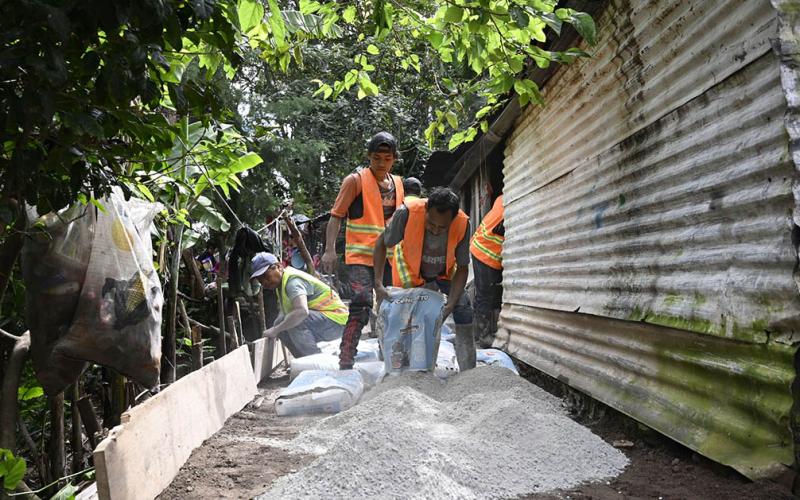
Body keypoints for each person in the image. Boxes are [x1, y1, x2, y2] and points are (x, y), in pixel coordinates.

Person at [321, 132, 405, 369]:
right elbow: (336, 216)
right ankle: (346, 359)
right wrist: (329, 250)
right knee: (361, 303)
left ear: (394, 159)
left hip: (389, 257)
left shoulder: (398, 184)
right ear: (369, 156)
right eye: (376, 158)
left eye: (387, 159)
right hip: (361, 255)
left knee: (392, 305)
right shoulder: (355, 181)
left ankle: (392, 358)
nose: (381, 163)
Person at [372, 187, 477, 370]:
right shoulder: (407, 213)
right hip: (411, 269)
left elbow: (462, 268)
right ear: (426, 209)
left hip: (444, 271)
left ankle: (469, 371)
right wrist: (378, 283)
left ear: (452, 220)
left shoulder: (462, 223)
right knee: (403, 313)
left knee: (464, 308)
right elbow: (381, 243)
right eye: (431, 224)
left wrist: (450, 305)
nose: (435, 230)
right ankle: (392, 361)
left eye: (442, 227)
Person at [250, 252, 347, 358]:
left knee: (296, 320)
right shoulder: (281, 285)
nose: (264, 282)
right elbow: (283, 315)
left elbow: (301, 312)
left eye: (266, 276)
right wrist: (275, 328)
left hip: (337, 321)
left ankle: (315, 360)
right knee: (282, 325)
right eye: (260, 280)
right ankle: (303, 360)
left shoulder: (292, 282)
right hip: (325, 321)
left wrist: (275, 329)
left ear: (279, 267)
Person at [470, 194, 504, 348]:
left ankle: (479, 334)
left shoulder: (502, 198)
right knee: (486, 296)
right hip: (486, 253)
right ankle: (483, 337)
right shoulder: (512, 204)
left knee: (485, 295)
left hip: (480, 246)